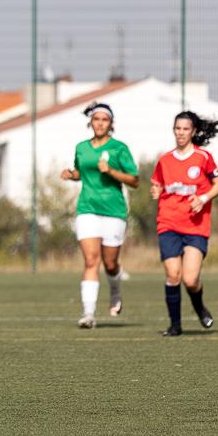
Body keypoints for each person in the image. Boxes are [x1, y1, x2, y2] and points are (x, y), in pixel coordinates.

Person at [59, 103, 139, 329]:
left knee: (110, 263)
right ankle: (88, 314)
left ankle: (115, 291)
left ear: (111, 123)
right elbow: (80, 172)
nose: (100, 123)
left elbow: (135, 180)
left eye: (105, 119)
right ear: (91, 122)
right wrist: (71, 174)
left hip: (114, 211)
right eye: (96, 119)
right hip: (87, 209)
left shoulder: (119, 149)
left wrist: (111, 171)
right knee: (90, 260)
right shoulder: (82, 148)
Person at [150, 111, 218, 337]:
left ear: (193, 131)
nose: (181, 133)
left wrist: (203, 199)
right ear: (174, 130)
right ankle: (175, 325)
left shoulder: (203, 157)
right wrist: (155, 190)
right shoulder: (165, 160)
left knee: (190, 279)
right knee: (173, 274)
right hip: (168, 223)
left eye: (185, 129)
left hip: (195, 227)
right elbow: (157, 183)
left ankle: (199, 307)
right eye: (177, 128)